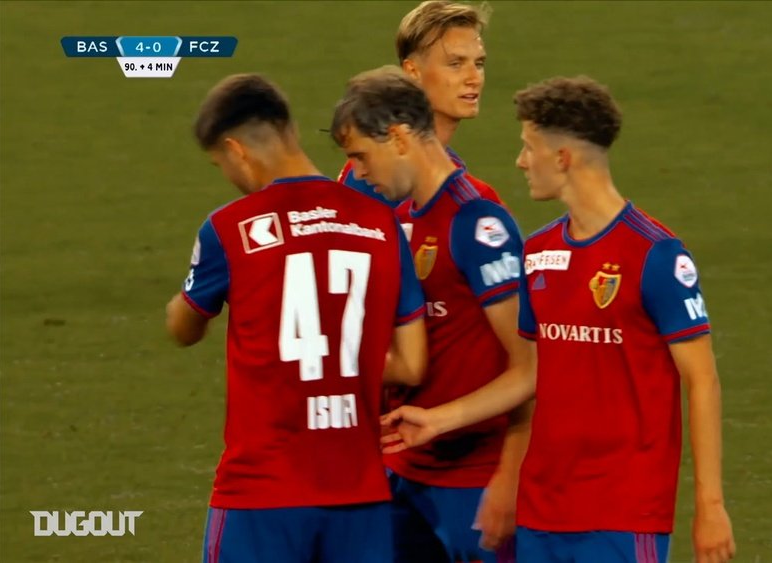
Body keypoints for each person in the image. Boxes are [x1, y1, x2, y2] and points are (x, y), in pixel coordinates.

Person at [382, 76, 737, 563]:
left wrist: (710, 507)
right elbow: (531, 372)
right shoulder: (538, 252)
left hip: (622, 514)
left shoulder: (654, 255)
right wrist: (438, 420)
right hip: (541, 512)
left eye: (529, 148)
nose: (521, 161)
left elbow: (702, 381)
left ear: (563, 158)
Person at [165, 73, 428, 563]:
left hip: (262, 494)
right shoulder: (380, 224)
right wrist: (342, 359)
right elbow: (412, 365)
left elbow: (183, 329)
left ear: (235, 150)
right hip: (361, 495)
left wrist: (183, 302)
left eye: (220, 163)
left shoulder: (229, 227)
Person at [330, 66, 533, 563]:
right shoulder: (405, 219)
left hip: (473, 481)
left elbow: (532, 366)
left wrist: (506, 478)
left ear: (398, 138)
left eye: (361, 156)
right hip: (403, 470)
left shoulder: (476, 223)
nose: (357, 172)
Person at [337, 1, 494, 206]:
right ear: (413, 72)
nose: (474, 78)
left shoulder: (459, 182)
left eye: (479, 64)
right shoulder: (377, 173)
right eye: (455, 64)